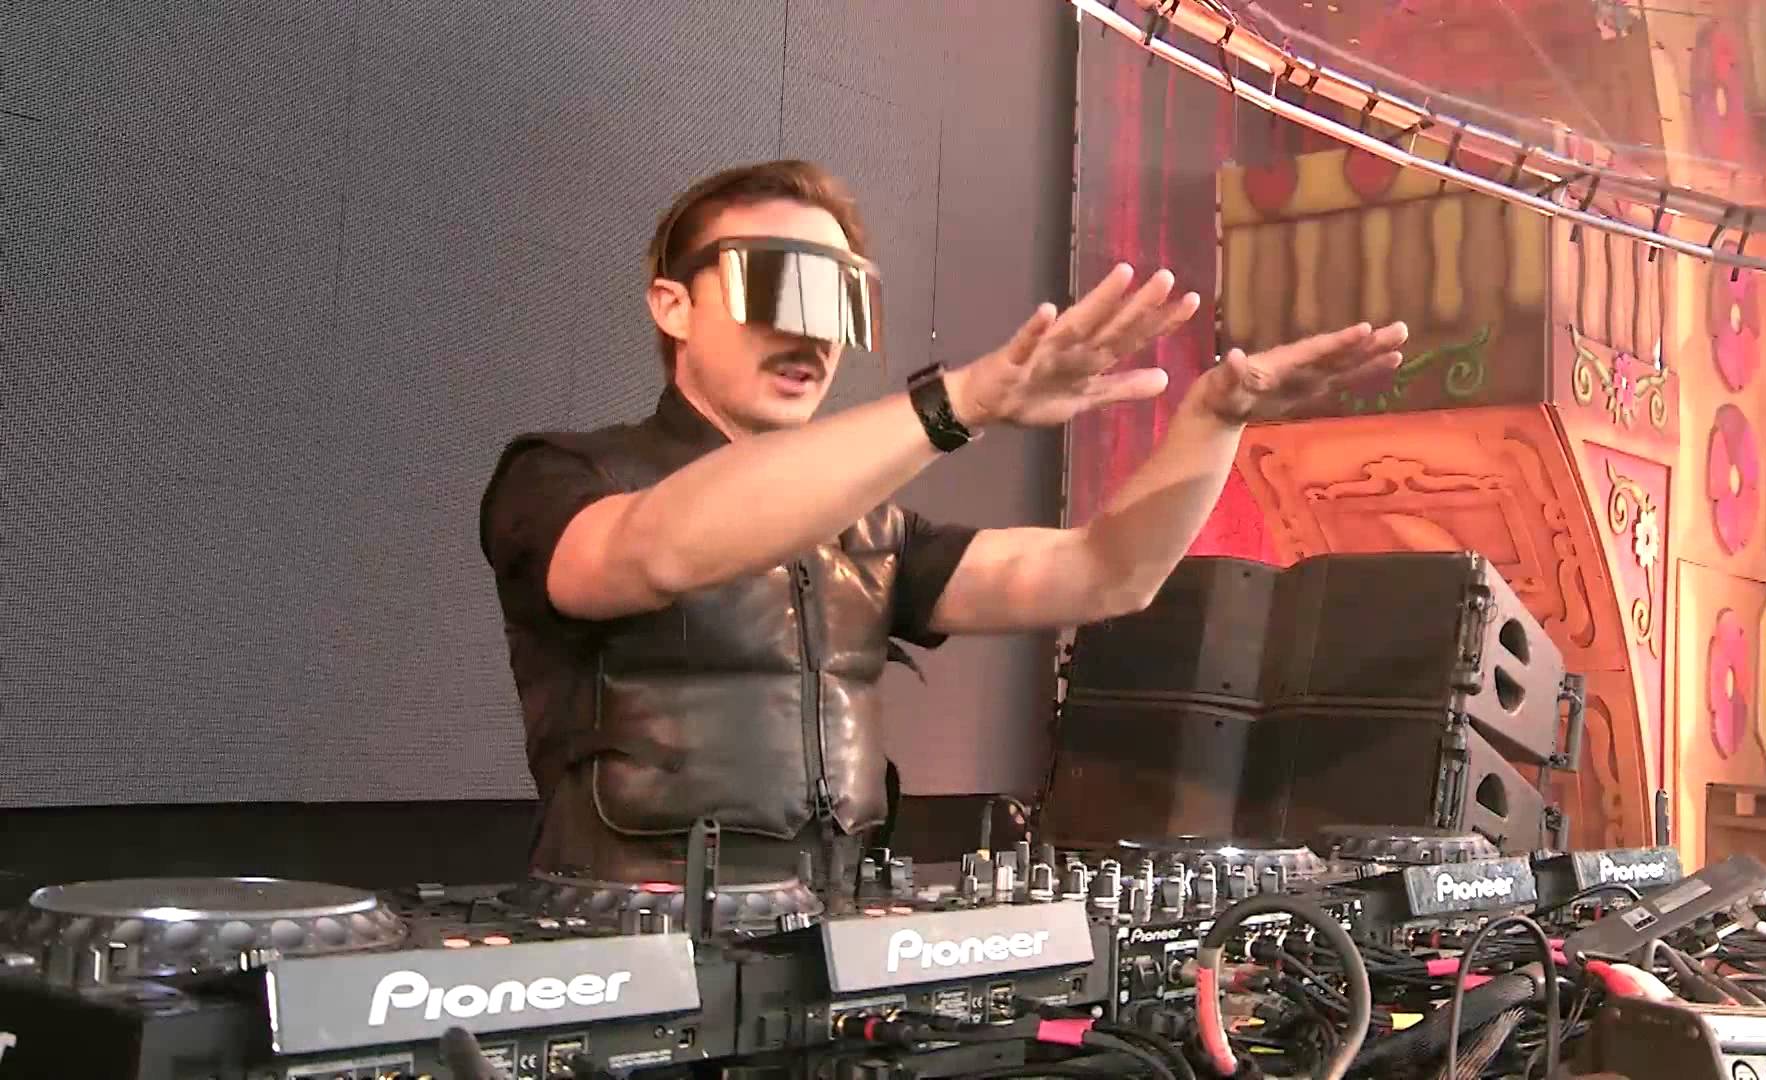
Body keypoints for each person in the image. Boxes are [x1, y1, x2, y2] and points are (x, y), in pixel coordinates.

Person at [478, 160, 1406, 892]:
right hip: (627, 946)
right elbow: (658, 549)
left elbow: (1104, 572)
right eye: (778, 286)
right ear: (672, 305)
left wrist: (1218, 418)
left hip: (827, 946)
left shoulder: (870, 531)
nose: (812, 336)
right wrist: (959, 401)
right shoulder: (564, 478)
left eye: (838, 300)